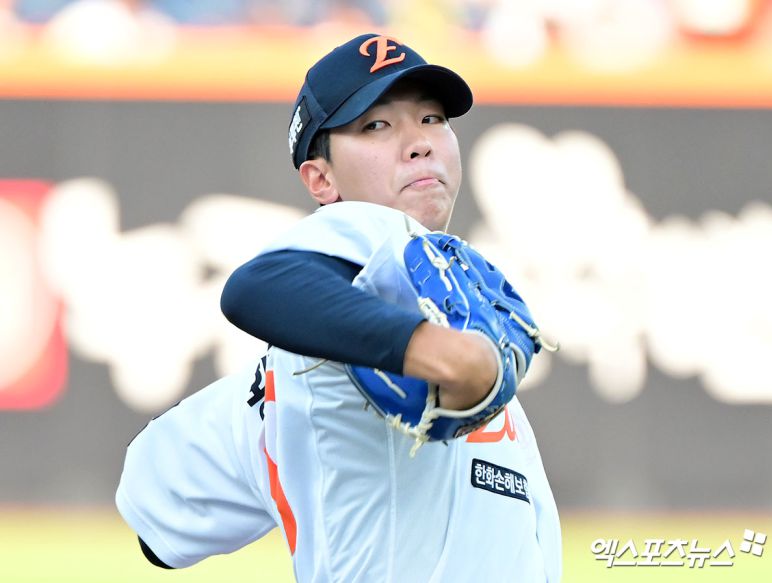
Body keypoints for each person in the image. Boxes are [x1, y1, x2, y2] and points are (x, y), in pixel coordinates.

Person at [116, 33, 562, 582]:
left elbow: (158, 521)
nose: (419, 143)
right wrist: (438, 352)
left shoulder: (283, 380)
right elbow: (259, 285)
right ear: (322, 180)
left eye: (431, 119)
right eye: (376, 126)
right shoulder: (376, 235)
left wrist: (286, 402)